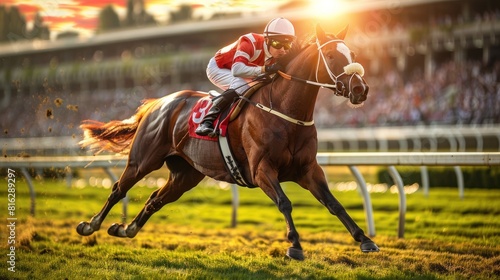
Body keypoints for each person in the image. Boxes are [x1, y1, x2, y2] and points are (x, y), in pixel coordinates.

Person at [195, 17, 296, 136]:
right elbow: (237, 70)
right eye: (278, 44)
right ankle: (207, 121)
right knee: (241, 84)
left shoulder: (278, 53)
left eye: (287, 45)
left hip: (240, 70)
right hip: (219, 67)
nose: (283, 50)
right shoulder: (250, 41)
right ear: (267, 40)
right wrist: (266, 69)